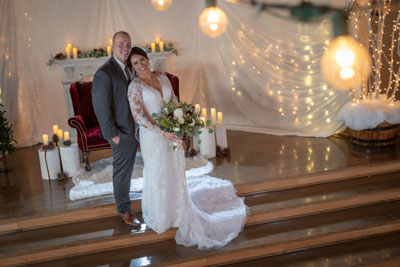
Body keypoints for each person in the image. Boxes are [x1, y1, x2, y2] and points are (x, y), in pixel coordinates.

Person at [127, 46, 248, 249]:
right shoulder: (134, 86)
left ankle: (178, 211)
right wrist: (161, 131)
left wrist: (179, 123)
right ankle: (161, 215)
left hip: (172, 132)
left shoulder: (163, 78)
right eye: (135, 63)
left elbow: (174, 102)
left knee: (174, 169)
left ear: (148, 58)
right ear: (132, 68)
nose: (140, 65)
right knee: (158, 172)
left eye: (142, 59)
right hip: (153, 137)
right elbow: (138, 116)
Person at [92, 31, 140, 228]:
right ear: (112, 46)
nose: (125, 48)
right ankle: (124, 209)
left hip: (135, 130)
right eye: (121, 44)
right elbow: (101, 107)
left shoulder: (129, 67)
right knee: (122, 172)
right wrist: (113, 135)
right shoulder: (104, 72)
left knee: (130, 170)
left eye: (128, 44)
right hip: (121, 133)